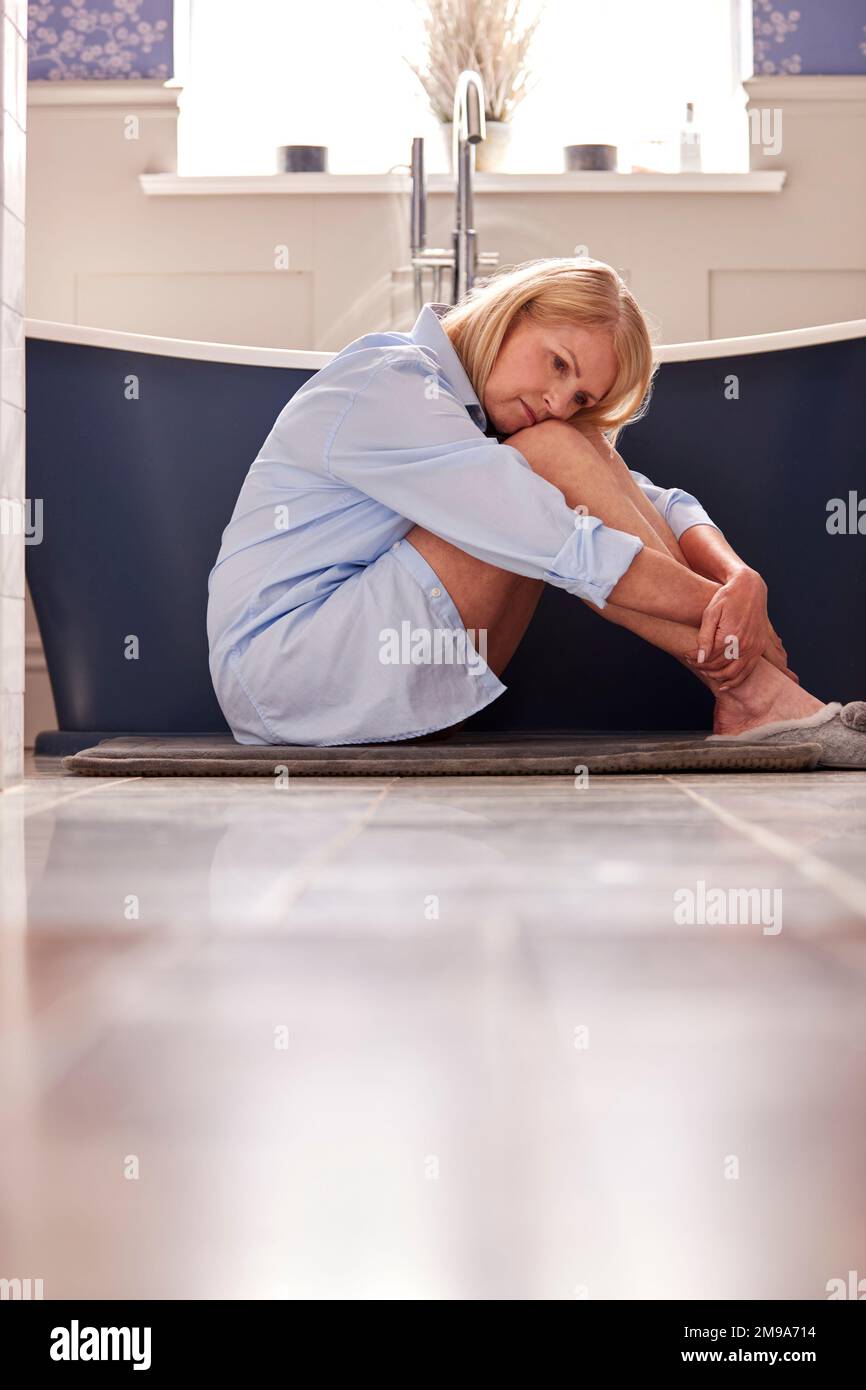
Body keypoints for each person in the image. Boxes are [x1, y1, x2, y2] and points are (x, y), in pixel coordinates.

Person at [206, 257, 865, 765]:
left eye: (578, 393)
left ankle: (753, 694)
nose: (556, 399)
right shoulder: (391, 381)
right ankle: (754, 691)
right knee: (554, 462)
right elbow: (565, 545)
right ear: (512, 311)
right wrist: (730, 628)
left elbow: (654, 499)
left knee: (568, 451)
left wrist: (739, 579)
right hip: (290, 676)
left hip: (362, 675)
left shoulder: (485, 430)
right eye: (556, 363)